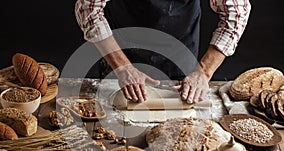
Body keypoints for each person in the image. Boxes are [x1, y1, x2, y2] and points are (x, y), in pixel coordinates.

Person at [75, 0, 251, 104]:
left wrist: (203, 72)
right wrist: (122, 67)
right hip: (120, 50)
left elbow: (236, 12)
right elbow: (88, 9)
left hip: (179, 53)